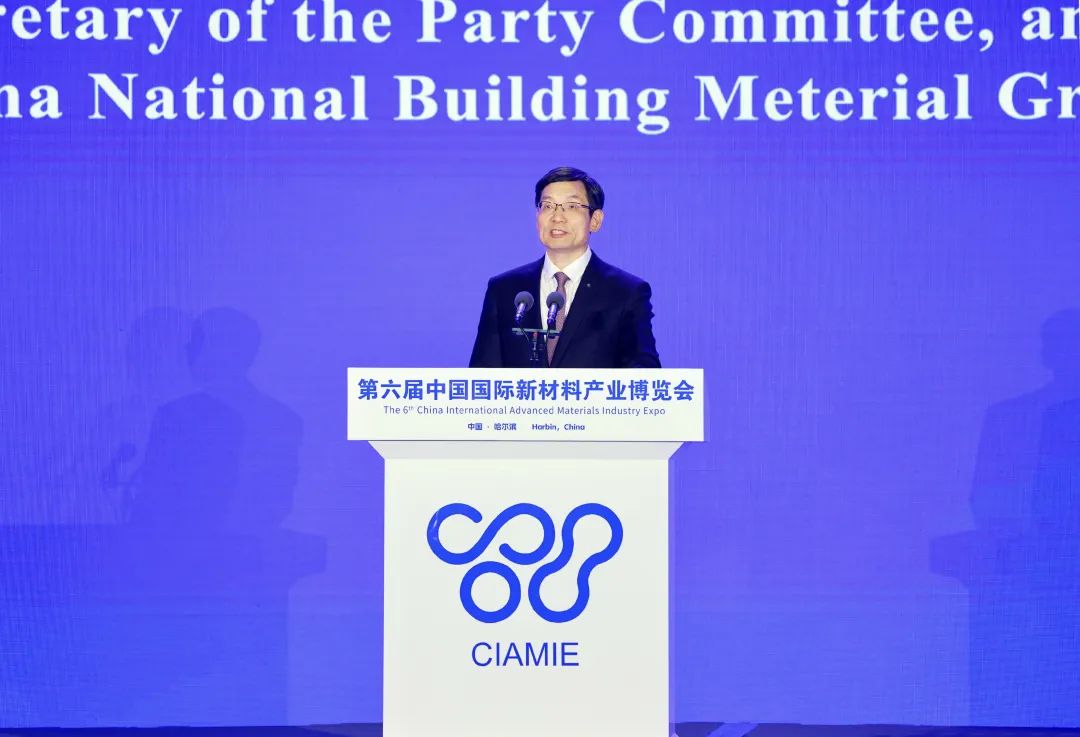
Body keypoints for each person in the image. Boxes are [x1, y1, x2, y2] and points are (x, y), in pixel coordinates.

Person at [468, 166, 661, 368]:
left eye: (571, 206)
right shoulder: (504, 289)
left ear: (595, 220)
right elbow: (483, 371)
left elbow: (644, 372)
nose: (557, 217)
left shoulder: (626, 291)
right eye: (547, 206)